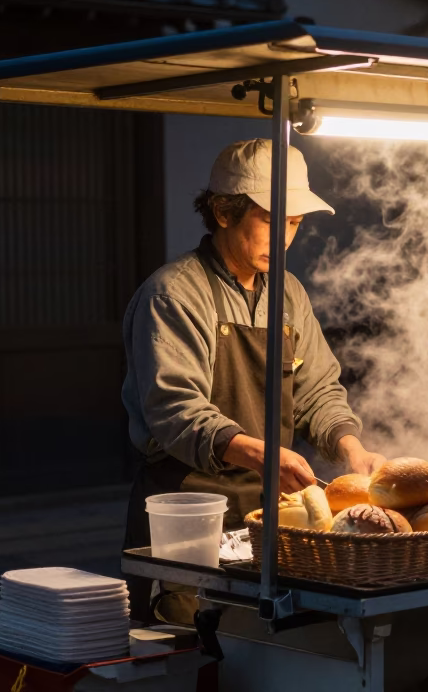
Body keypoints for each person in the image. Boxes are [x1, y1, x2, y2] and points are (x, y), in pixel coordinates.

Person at [121, 138, 385, 622]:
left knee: (265, 650)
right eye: (271, 221)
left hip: (271, 517)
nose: (284, 238)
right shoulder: (174, 294)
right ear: (224, 212)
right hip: (189, 513)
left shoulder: (287, 293)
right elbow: (175, 412)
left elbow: (318, 389)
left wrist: (351, 448)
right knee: (191, 649)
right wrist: (263, 454)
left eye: (294, 223)